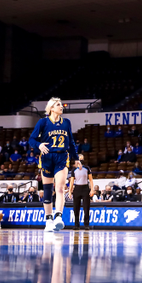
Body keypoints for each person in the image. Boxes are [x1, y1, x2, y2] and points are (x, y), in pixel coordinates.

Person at [28, 97, 81, 232]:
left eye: (61, 105)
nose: (61, 106)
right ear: (51, 108)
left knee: (60, 188)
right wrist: (39, 145)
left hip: (61, 157)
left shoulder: (66, 122)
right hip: (46, 157)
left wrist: (76, 158)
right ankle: (48, 220)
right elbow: (31, 139)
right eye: (58, 105)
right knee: (47, 190)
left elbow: (71, 142)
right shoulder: (43, 122)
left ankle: (58, 216)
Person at [69, 156, 94, 230]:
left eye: (81, 158)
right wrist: (70, 191)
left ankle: (86, 224)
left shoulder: (87, 168)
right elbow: (72, 181)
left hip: (85, 188)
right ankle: (77, 224)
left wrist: (92, 190)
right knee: (76, 208)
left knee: (86, 207)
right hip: (77, 188)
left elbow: (91, 180)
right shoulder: (74, 170)